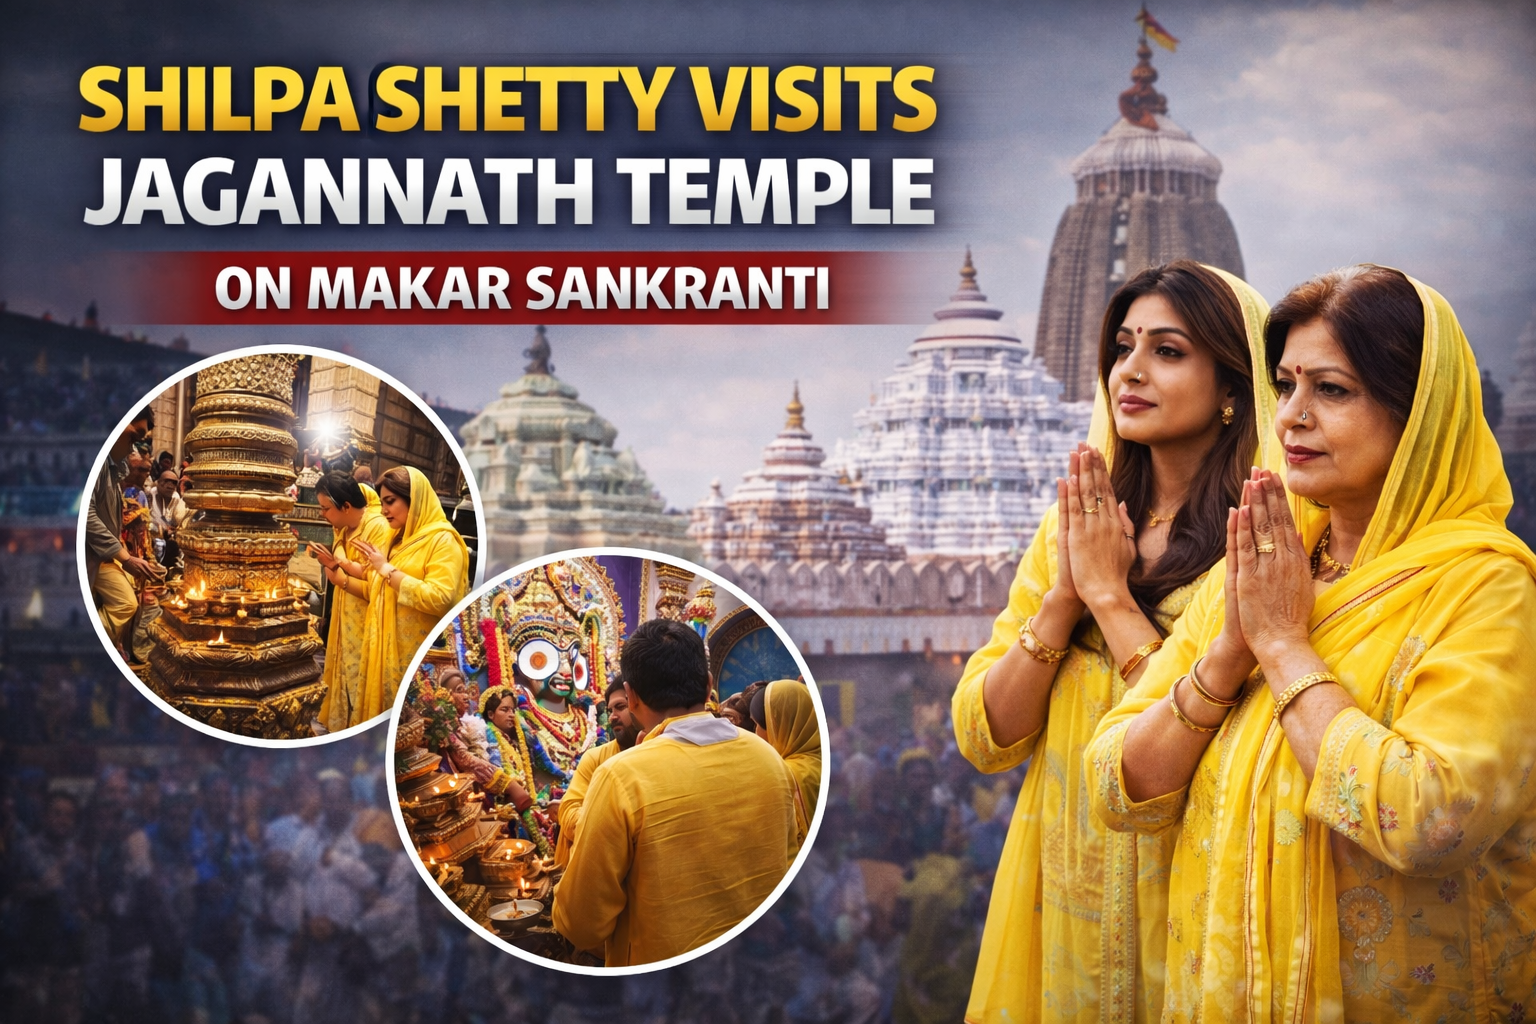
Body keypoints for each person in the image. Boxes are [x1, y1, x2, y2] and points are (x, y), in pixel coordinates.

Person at [1087, 266, 1536, 1020]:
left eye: (1331, 390)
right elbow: (1113, 783)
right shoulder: (1263, 564)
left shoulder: (1486, 592)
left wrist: (1286, 649)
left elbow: (1432, 822)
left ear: (1418, 414)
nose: (1291, 416)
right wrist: (1228, 656)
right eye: (1286, 386)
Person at [951, 261, 1273, 1023]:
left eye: (1168, 351)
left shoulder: (1264, 540)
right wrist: (1064, 598)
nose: (1130, 370)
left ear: (1233, 387)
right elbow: (984, 736)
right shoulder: (1074, 526)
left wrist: (1108, 596)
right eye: (1123, 347)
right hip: (1063, 891)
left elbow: (1215, 744)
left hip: (1193, 891)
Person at [553, 618, 798, 967]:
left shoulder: (621, 777)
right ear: (708, 685)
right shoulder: (770, 759)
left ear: (631, 697)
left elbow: (581, 923)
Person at [355, 466, 470, 724]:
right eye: (382, 502)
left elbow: (441, 598)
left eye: (390, 501)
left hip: (414, 658)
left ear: (414, 500)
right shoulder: (396, 538)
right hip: (382, 649)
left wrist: (386, 569)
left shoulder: (442, 541)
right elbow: (380, 587)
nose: (384, 510)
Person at [309, 471, 394, 732]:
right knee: (343, 672)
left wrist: (341, 575)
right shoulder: (343, 527)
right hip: (344, 612)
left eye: (326, 508)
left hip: (366, 617)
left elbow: (377, 585)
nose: (323, 514)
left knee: (359, 677)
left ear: (346, 506)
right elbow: (341, 552)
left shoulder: (377, 526)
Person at [85, 407, 163, 649]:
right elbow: (87, 515)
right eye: (133, 437)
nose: (132, 448)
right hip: (101, 553)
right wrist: (125, 557)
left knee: (130, 601)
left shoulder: (113, 471)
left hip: (109, 554)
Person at [554, 675, 641, 867]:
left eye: (620, 707)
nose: (612, 717)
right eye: (610, 710)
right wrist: (616, 829)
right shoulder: (595, 759)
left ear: (640, 706)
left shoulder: (658, 752)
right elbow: (568, 812)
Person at [758, 680, 822, 852]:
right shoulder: (822, 758)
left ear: (778, 726)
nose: (755, 732)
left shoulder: (787, 774)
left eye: (759, 724)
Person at [147, 470, 189, 569]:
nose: (170, 485)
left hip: (169, 542)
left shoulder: (176, 498)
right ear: (158, 482)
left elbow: (177, 523)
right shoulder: (150, 495)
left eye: (174, 483)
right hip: (151, 540)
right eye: (166, 481)